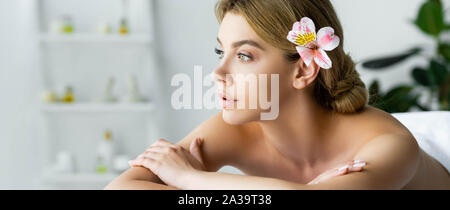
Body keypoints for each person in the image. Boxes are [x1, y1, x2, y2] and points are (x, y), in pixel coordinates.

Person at [105, 0, 450, 190]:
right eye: (219, 52)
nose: (217, 74)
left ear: (302, 70)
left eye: (243, 55)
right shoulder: (236, 127)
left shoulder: (390, 145)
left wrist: (189, 179)